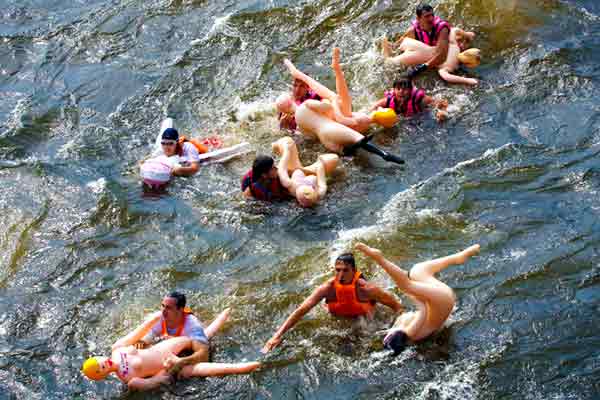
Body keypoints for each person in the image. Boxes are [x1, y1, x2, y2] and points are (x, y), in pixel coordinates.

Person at [81, 295, 260, 391]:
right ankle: (248, 366)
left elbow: (138, 332)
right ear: (102, 375)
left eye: (100, 361)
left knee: (200, 337)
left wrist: (154, 319)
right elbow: (157, 381)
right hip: (168, 366)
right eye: (101, 368)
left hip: (165, 347)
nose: (104, 363)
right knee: (199, 370)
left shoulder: (116, 349)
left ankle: (229, 311)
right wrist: (167, 371)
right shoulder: (129, 380)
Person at [354, 242, 480, 355]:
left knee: (418, 270)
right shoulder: (410, 333)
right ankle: (378, 257)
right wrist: (412, 294)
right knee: (406, 285)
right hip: (442, 301)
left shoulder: (402, 331)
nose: (386, 335)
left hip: (442, 300)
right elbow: (423, 309)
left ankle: (458, 257)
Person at [262, 252, 404, 353]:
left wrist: (398, 329)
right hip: (338, 318)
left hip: (365, 319)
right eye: (337, 270)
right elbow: (301, 310)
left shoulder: (367, 289)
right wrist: (276, 336)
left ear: (354, 271)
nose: (340, 275)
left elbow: (397, 307)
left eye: (345, 270)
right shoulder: (328, 288)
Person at [280, 47, 390, 133]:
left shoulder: (315, 96)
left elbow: (331, 104)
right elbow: (291, 132)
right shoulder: (287, 103)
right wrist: (285, 127)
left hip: (332, 120)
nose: (297, 89)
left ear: (308, 88)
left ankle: (337, 70)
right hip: (319, 128)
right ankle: (337, 70)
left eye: (301, 86)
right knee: (342, 108)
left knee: (338, 102)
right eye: (295, 86)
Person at [383, 27, 480, 85]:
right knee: (389, 63)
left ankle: (393, 45)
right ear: (468, 64)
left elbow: (453, 30)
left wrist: (466, 34)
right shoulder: (451, 65)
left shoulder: (454, 45)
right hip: (416, 56)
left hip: (415, 45)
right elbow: (446, 76)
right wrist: (467, 80)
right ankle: (386, 49)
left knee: (409, 36)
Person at [271, 136, 339, 207]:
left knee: (287, 142)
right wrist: (320, 163)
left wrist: (286, 152)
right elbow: (321, 178)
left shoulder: (289, 184)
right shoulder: (320, 192)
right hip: (307, 171)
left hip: (292, 170)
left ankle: (276, 146)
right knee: (333, 159)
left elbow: (282, 169)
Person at [391, 4, 452, 78]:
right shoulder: (413, 30)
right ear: (418, 18)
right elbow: (396, 45)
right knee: (403, 44)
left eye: (432, 15)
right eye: (427, 16)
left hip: (446, 55)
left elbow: (442, 56)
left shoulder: (442, 29)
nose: (431, 18)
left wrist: (420, 68)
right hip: (427, 55)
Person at [370, 77, 449, 121]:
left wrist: (442, 112)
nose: (401, 92)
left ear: (410, 90)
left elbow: (442, 103)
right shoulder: (388, 101)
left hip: (420, 118)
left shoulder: (420, 100)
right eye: (398, 89)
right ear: (394, 90)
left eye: (404, 89)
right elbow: (373, 108)